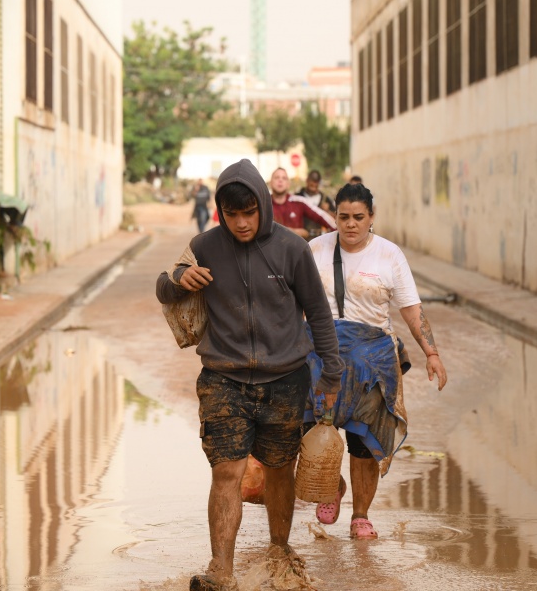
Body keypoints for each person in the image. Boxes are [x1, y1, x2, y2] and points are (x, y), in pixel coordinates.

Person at [156, 159, 342, 591]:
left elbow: (317, 313)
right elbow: (164, 289)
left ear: (262, 204)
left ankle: (279, 552)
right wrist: (182, 278)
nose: (241, 223)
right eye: (231, 214)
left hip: (285, 379)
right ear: (220, 211)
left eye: (249, 212)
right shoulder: (204, 245)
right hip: (223, 378)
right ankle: (221, 570)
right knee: (227, 472)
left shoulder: (292, 249)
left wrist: (330, 373)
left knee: (279, 469)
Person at [302, 182, 447, 540]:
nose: (350, 224)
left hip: (372, 363)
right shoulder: (313, 250)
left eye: (359, 217)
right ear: (334, 215)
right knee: (310, 429)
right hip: (319, 357)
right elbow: (289, 305)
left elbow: (411, 309)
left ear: (372, 217)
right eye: (343, 217)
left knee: (363, 441)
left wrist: (432, 353)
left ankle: (361, 516)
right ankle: (331, 486)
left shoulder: (389, 255)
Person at [269, 167, 334, 239]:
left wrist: (339, 232)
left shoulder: (299, 201)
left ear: (288, 184)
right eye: (276, 177)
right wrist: (292, 232)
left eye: (284, 178)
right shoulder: (263, 204)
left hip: (296, 248)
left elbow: (325, 218)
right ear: (270, 182)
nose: (280, 180)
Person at [295, 170, 335, 239]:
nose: (313, 184)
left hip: (321, 237)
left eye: (316, 181)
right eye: (312, 181)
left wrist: (327, 211)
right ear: (307, 180)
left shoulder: (325, 199)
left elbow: (335, 219)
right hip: (301, 238)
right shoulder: (297, 198)